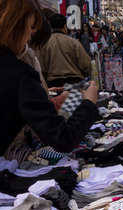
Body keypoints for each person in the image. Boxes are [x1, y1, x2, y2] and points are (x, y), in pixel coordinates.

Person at [0, 0, 99, 156]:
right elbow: (63, 138)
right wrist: (88, 103)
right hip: (72, 88)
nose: (29, 39)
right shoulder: (20, 74)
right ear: (16, 25)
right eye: (31, 30)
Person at [36, 13, 92, 88]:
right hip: (75, 84)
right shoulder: (74, 43)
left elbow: (41, 68)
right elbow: (86, 66)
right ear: (65, 26)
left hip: (54, 85)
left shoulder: (43, 44)